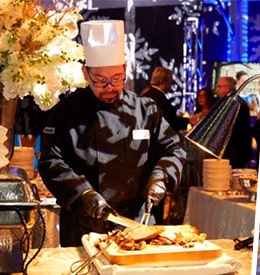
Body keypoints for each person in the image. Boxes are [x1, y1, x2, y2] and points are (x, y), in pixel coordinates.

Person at [38, 20, 185, 247]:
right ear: (86, 73)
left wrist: (161, 177)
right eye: (101, 80)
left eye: (117, 78)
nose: (110, 87)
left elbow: (172, 149)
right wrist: (82, 193)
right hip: (84, 222)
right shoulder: (65, 112)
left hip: (138, 220)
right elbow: (51, 161)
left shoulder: (146, 109)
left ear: (125, 69)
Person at [215, 77, 253, 168]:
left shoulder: (233, 103)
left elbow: (232, 130)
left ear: (227, 88)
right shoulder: (231, 101)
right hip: (235, 150)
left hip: (234, 151)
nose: (217, 89)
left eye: (219, 86)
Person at [141, 67, 189, 132]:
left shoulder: (147, 93)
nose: (171, 85)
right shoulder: (159, 98)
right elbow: (167, 122)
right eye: (170, 81)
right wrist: (187, 121)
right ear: (163, 82)